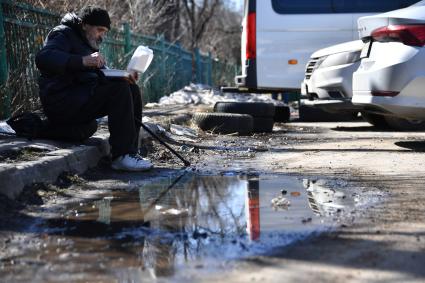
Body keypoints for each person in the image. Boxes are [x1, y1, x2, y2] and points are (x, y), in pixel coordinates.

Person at [35, 6, 153, 172]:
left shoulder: (86, 41)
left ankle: (130, 153)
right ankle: (122, 155)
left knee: (129, 87)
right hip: (62, 102)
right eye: (99, 30)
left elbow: (96, 75)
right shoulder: (63, 34)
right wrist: (82, 61)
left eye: (104, 32)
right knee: (118, 89)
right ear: (84, 25)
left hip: (80, 98)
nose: (101, 36)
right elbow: (43, 58)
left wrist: (124, 76)